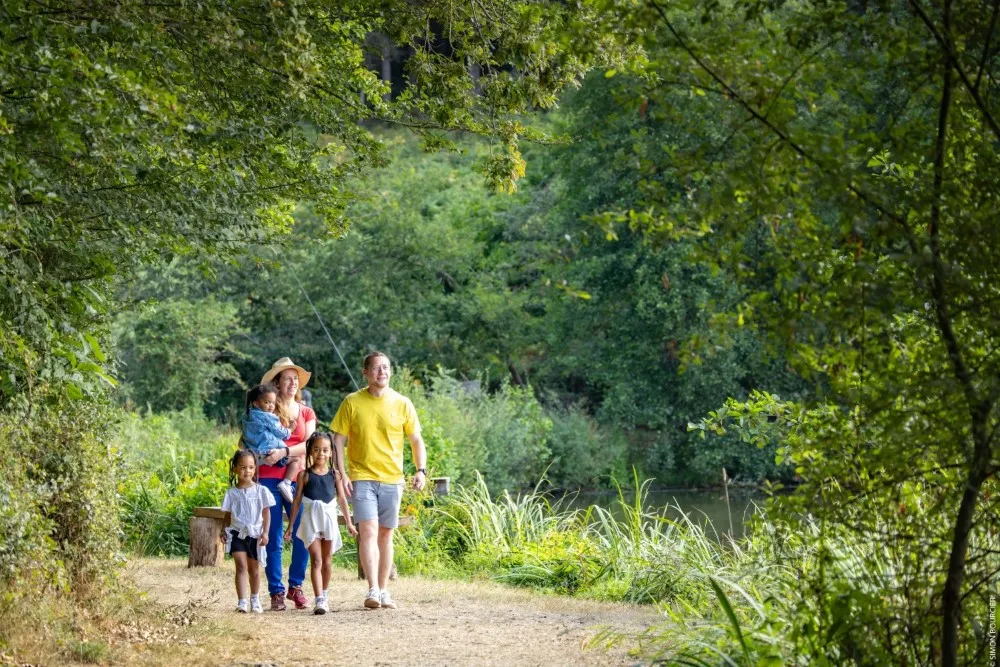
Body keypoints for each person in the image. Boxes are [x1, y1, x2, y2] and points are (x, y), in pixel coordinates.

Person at [331, 351, 427, 610]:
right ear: (366, 373)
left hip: (392, 479)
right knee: (369, 531)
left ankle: (384, 591)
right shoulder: (352, 402)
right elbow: (337, 438)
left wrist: (421, 470)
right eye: (375, 368)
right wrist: (341, 471)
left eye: (385, 367)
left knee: (386, 534)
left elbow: (416, 440)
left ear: (390, 372)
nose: (381, 372)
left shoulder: (403, 403)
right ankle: (372, 589)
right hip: (361, 477)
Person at [257, 357, 316, 611]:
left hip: (299, 478)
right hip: (268, 474)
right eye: (287, 379)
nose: (292, 383)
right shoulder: (267, 409)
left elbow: (312, 444)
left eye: (295, 379)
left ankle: (296, 586)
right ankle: (276, 591)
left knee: (303, 533)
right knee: (273, 536)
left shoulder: (306, 412)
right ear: (277, 383)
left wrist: (284, 453)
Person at [284, 432, 357, 614]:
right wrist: (291, 526)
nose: (321, 454)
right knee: (316, 559)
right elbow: (297, 501)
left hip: (328, 520)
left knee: (327, 561)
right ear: (310, 452)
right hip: (310, 521)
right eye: (316, 450)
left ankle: (325, 594)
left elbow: (341, 499)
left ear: (331, 452)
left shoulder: (335, 475)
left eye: (325, 450)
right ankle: (318, 600)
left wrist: (349, 523)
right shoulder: (304, 475)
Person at [221, 449, 275, 614]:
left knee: (254, 569)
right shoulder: (231, 493)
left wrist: (265, 533)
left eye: (251, 467)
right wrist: (224, 531)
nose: (247, 471)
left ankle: (255, 598)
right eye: (243, 467)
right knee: (241, 566)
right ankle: (242, 601)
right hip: (237, 533)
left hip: (255, 534)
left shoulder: (261, 491)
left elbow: (266, 513)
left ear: (255, 469)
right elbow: (228, 514)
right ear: (235, 469)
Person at [240, 382, 301, 503]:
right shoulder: (268, 417)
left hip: (255, 452)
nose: (271, 406)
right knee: (296, 459)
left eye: (272, 403)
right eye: (266, 402)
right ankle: (286, 483)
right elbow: (280, 432)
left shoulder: (246, 416)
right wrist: (290, 430)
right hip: (270, 449)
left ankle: (261, 463)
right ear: (256, 403)